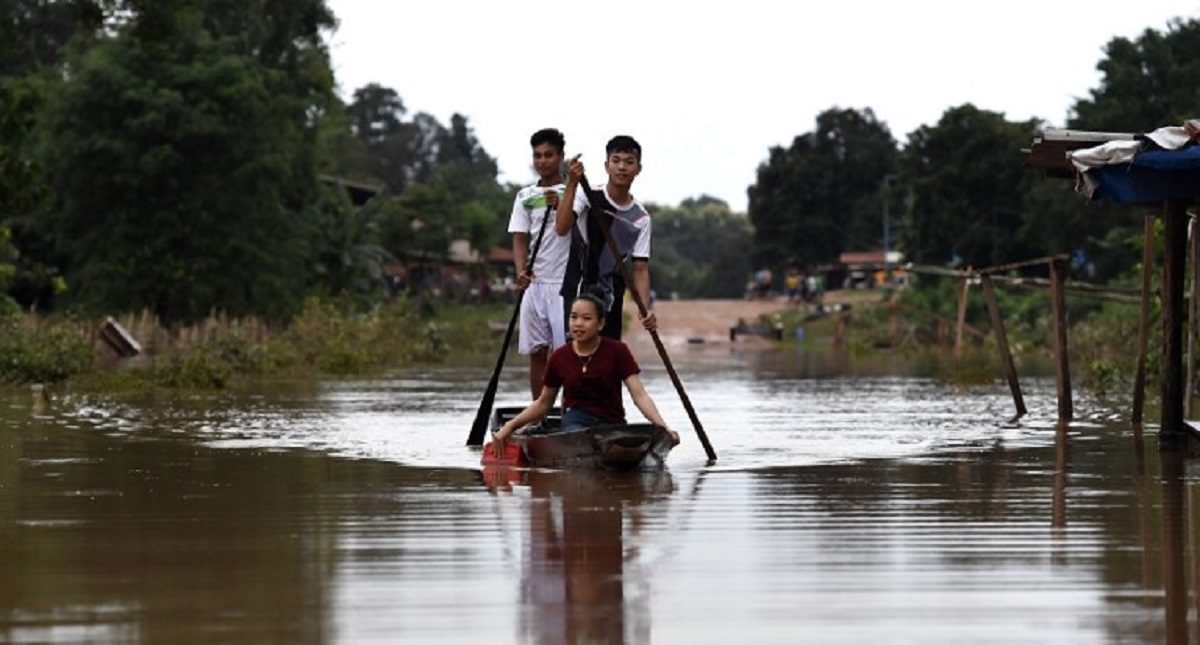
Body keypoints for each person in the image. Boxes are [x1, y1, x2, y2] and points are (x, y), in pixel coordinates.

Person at [492, 291, 679, 453]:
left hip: (611, 423)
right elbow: (543, 403)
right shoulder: (559, 356)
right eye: (573, 317)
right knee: (578, 439)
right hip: (576, 423)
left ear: (600, 324)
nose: (578, 324)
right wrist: (510, 426)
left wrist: (663, 428)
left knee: (618, 444)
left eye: (586, 318)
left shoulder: (618, 351)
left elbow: (640, 396)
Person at [555, 135, 656, 340]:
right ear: (606, 165)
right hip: (579, 287)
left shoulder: (641, 218)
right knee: (575, 357)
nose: (622, 167)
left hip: (611, 296)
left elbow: (640, 268)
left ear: (638, 168)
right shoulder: (588, 195)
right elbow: (562, 227)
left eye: (629, 162)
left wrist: (645, 310)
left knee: (607, 363)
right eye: (616, 160)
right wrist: (572, 184)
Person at [508, 128, 570, 399]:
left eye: (548, 155)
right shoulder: (524, 196)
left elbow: (566, 229)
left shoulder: (574, 191)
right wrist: (520, 272)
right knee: (537, 353)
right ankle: (538, 413)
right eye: (537, 155)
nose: (542, 161)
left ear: (560, 157)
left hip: (564, 285)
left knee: (567, 355)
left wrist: (561, 202)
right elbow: (519, 239)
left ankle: (569, 415)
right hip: (533, 284)